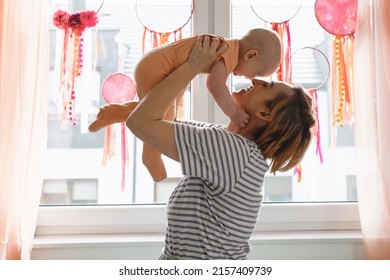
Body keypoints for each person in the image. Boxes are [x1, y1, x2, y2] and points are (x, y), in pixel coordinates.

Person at [126, 36, 316, 260]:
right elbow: (158, 118)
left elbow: (141, 123)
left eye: (266, 85)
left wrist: (192, 67)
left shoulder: (234, 153)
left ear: (265, 114)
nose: (255, 81)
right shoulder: (233, 149)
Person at [89, 28, 282, 182]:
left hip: (158, 65)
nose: (251, 79)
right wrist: (234, 113)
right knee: (161, 119)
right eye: (256, 74)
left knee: (165, 116)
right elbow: (214, 85)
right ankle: (151, 158)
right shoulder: (228, 53)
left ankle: (113, 113)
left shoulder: (228, 49)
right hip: (158, 68)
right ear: (250, 55)